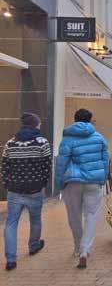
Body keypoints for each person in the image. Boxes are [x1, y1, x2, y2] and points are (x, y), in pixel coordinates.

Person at [55, 109, 109, 269]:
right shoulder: (99, 137)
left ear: (75, 119)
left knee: (74, 217)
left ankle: (78, 247)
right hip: (93, 182)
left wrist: (58, 184)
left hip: (73, 182)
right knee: (91, 216)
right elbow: (106, 160)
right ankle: (85, 250)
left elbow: (61, 163)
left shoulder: (67, 138)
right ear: (90, 120)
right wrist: (103, 178)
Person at [2, 113, 51, 271]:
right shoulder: (42, 143)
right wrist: (43, 183)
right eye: (39, 123)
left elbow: (4, 167)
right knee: (35, 219)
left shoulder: (10, 143)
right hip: (35, 189)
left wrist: (7, 184)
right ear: (35, 125)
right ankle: (33, 245)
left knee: (11, 223)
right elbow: (47, 166)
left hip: (14, 190)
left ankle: (10, 259)